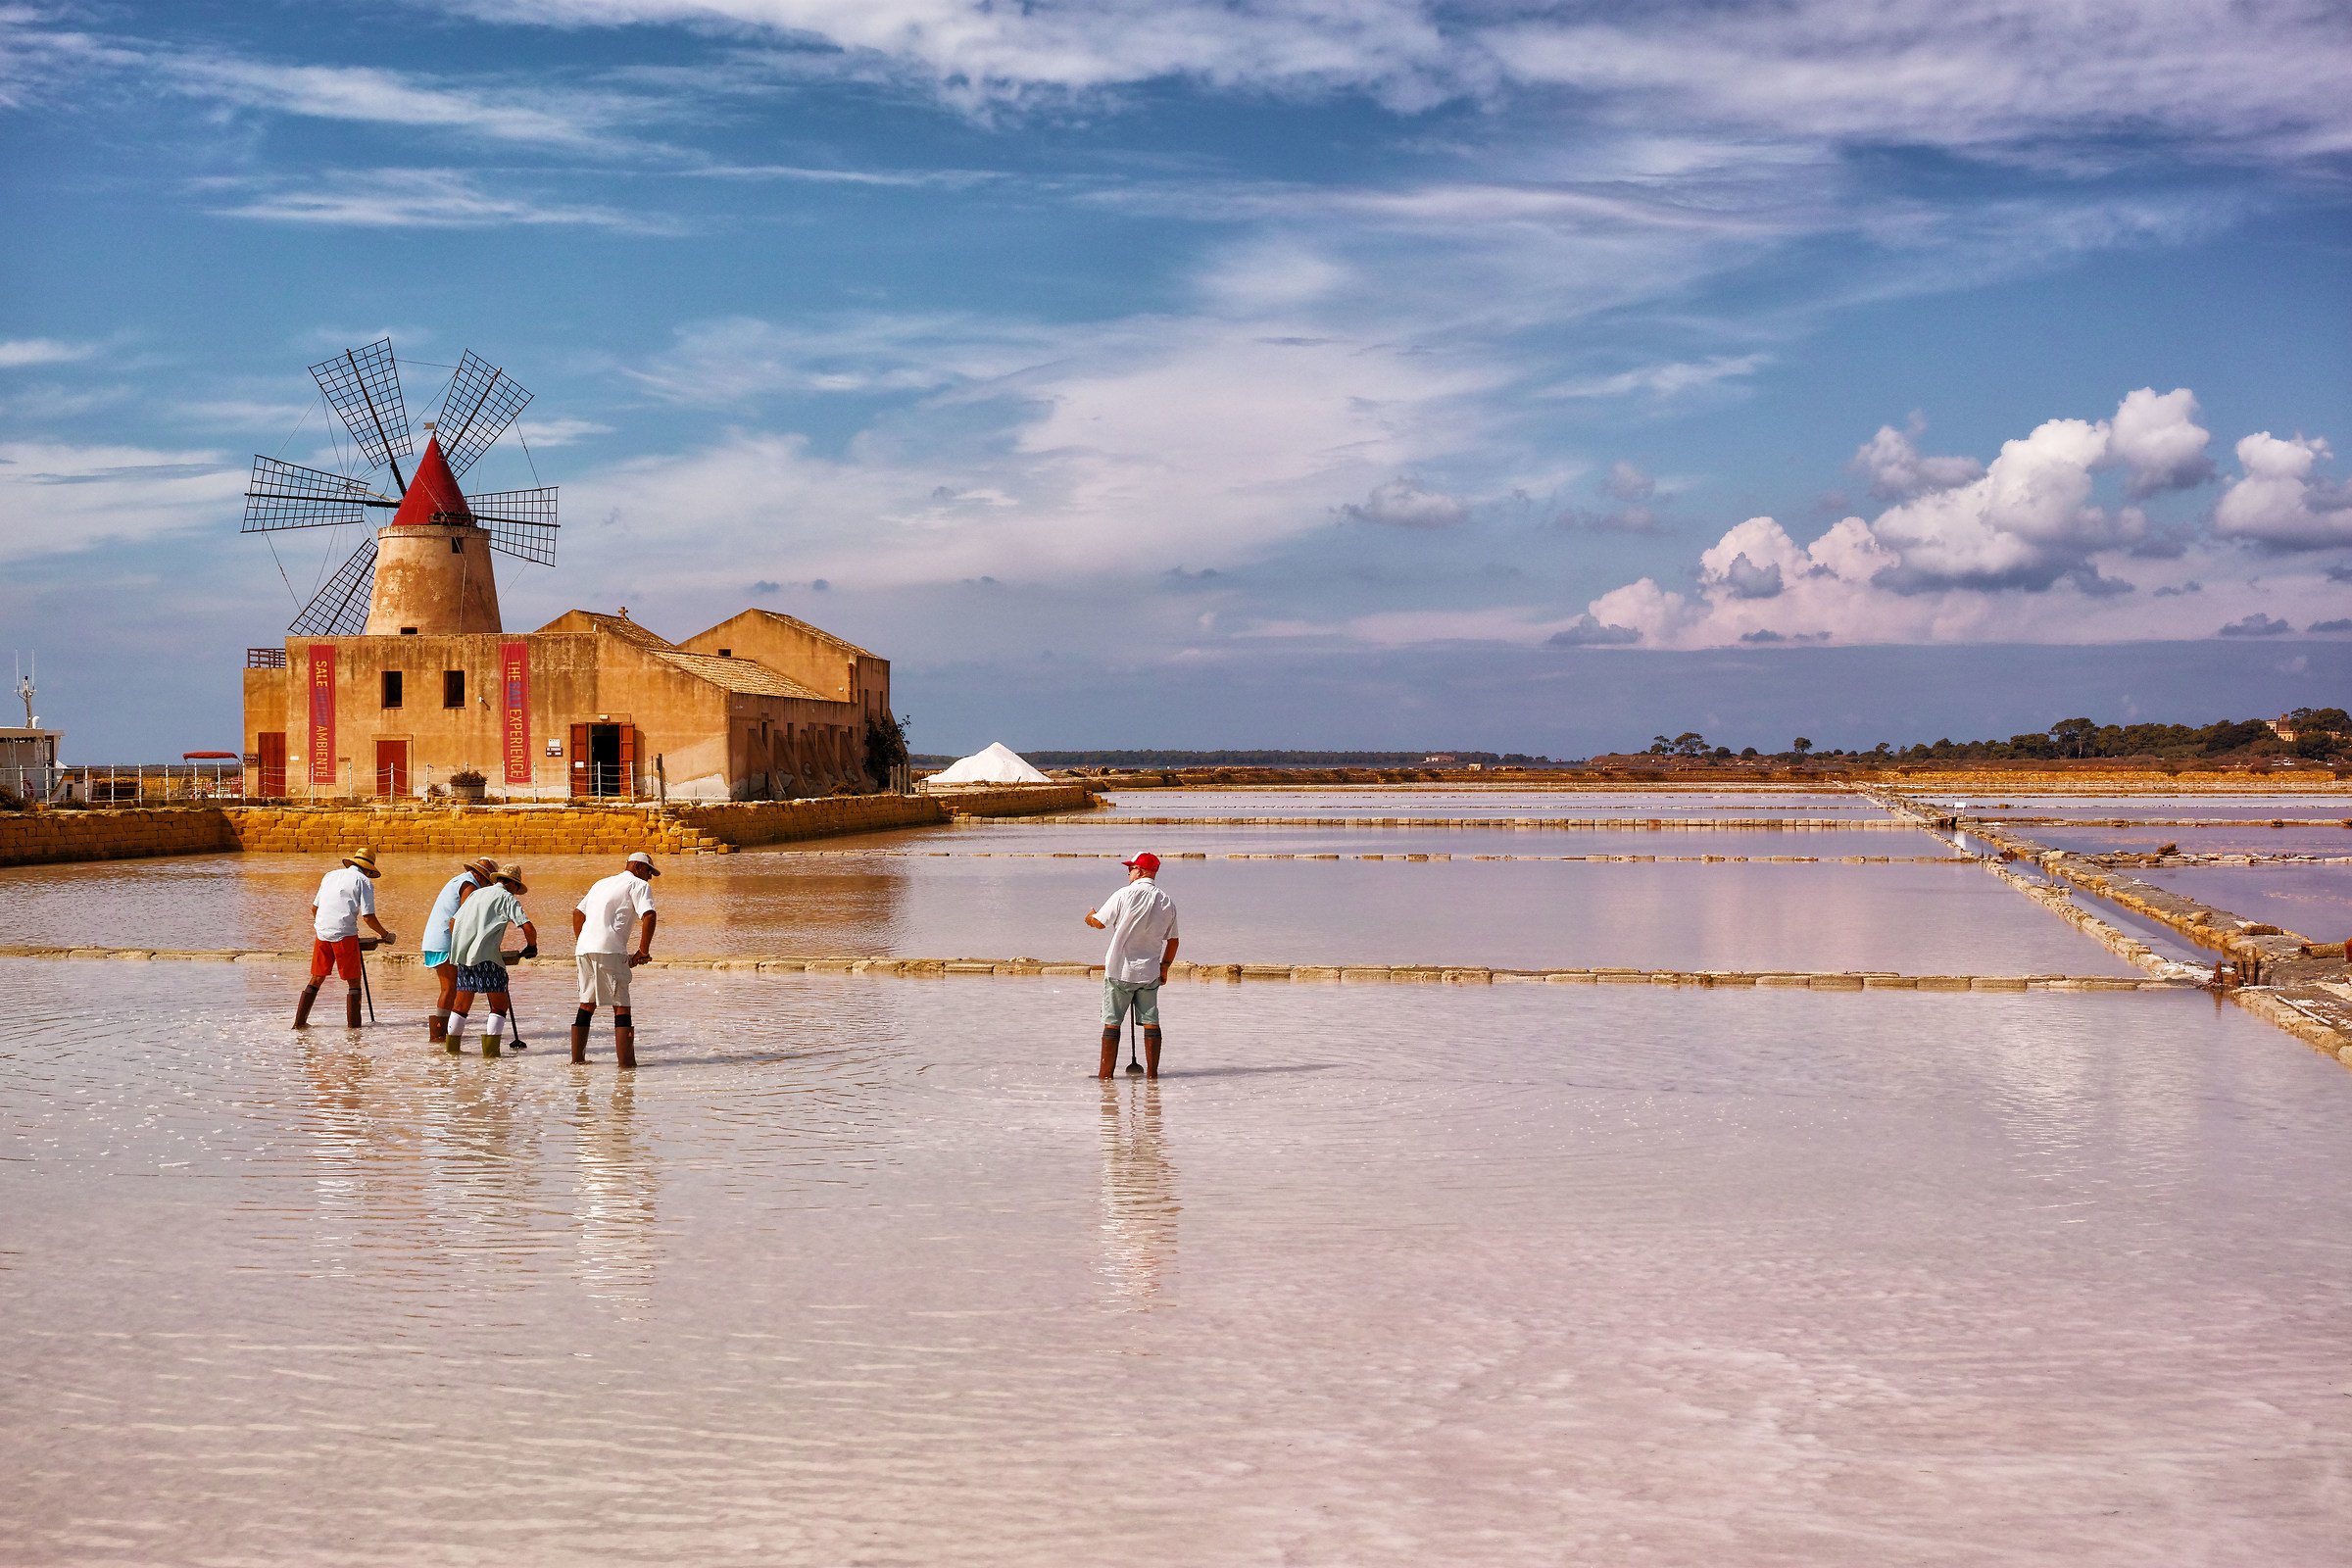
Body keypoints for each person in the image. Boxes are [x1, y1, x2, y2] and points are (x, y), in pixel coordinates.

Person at [1085, 851, 1179, 1079]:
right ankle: (1152, 1076)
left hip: (1120, 970)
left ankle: (1105, 1077)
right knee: (1151, 1022)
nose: (1129, 871)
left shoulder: (1123, 894)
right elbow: (1173, 940)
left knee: (1112, 1024)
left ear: (1141, 871)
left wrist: (1090, 916)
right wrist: (1164, 967)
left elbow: (1099, 924)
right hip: (1149, 972)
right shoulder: (1166, 900)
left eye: (1132, 868)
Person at [571, 851, 661, 1069]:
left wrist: (586, 941)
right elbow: (649, 915)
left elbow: (577, 914)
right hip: (609, 949)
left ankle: (577, 1061)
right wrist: (643, 951)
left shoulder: (601, 883)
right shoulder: (638, 885)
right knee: (621, 1006)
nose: (649, 877)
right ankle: (626, 1066)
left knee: (587, 1003)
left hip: (583, 949)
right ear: (638, 867)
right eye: (649, 871)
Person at [295, 846, 395, 1029]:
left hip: (322, 933)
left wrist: (327, 926)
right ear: (368, 869)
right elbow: (368, 917)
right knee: (354, 982)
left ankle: (299, 1024)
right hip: (344, 935)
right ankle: (354, 1032)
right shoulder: (363, 881)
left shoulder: (330, 875)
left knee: (317, 978)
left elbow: (315, 909)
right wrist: (386, 935)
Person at [446, 862, 537, 1055]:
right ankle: (491, 1056)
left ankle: (452, 1053)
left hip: (464, 957)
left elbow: (453, 922)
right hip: (488, 959)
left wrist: (463, 945)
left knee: (461, 1006)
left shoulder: (476, 894)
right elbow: (527, 927)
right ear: (512, 884)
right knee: (499, 1005)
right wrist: (532, 947)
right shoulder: (507, 898)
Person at [422, 857, 499, 1044]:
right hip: (446, 941)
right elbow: (466, 920)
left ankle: (443, 1035)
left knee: (450, 989)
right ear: (482, 877)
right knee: (450, 989)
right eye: (488, 884)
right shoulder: (469, 887)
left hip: (435, 939)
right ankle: (440, 1037)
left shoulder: (457, 880)